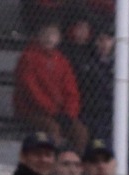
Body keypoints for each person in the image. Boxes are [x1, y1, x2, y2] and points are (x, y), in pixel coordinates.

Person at [12, 23, 88, 152]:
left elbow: (71, 90)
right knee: (52, 129)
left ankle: (75, 163)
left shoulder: (62, 61)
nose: (49, 38)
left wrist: (69, 113)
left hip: (59, 112)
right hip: (32, 111)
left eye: (53, 35)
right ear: (39, 36)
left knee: (80, 131)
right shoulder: (29, 57)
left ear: (58, 39)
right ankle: (52, 161)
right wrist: (53, 111)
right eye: (46, 34)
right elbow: (31, 90)